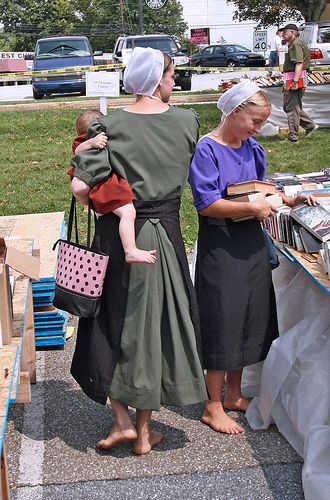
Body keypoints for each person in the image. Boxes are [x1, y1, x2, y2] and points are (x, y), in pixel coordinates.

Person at [70, 47, 208, 455]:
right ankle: (145, 433)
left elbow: (81, 188)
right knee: (156, 329)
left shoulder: (106, 127)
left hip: (118, 238)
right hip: (165, 237)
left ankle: (122, 422)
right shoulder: (187, 121)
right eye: (170, 75)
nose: (173, 82)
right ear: (158, 79)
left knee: (114, 325)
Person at [188, 80, 317, 435]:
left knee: (247, 315)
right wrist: (253, 206)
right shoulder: (207, 150)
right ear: (234, 112)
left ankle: (233, 393)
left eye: (262, 123)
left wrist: (288, 200)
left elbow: (262, 188)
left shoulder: (253, 148)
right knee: (223, 319)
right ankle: (212, 404)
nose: (259, 129)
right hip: (221, 245)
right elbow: (207, 203)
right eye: (255, 121)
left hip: (251, 244)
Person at [70, 110, 157, 265]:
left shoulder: (82, 141)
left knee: (125, 214)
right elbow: (78, 151)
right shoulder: (93, 140)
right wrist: (91, 142)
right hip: (106, 185)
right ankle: (130, 250)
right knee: (128, 213)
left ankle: (130, 249)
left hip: (97, 188)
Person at [282, 23, 318, 143]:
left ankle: (293, 137)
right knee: (291, 107)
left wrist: (295, 81)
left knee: (291, 108)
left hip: (295, 79)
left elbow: (299, 63)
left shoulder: (296, 44)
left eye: (285, 32)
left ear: (292, 33)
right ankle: (310, 126)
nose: (282, 35)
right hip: (293, 78)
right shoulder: (296, 43)